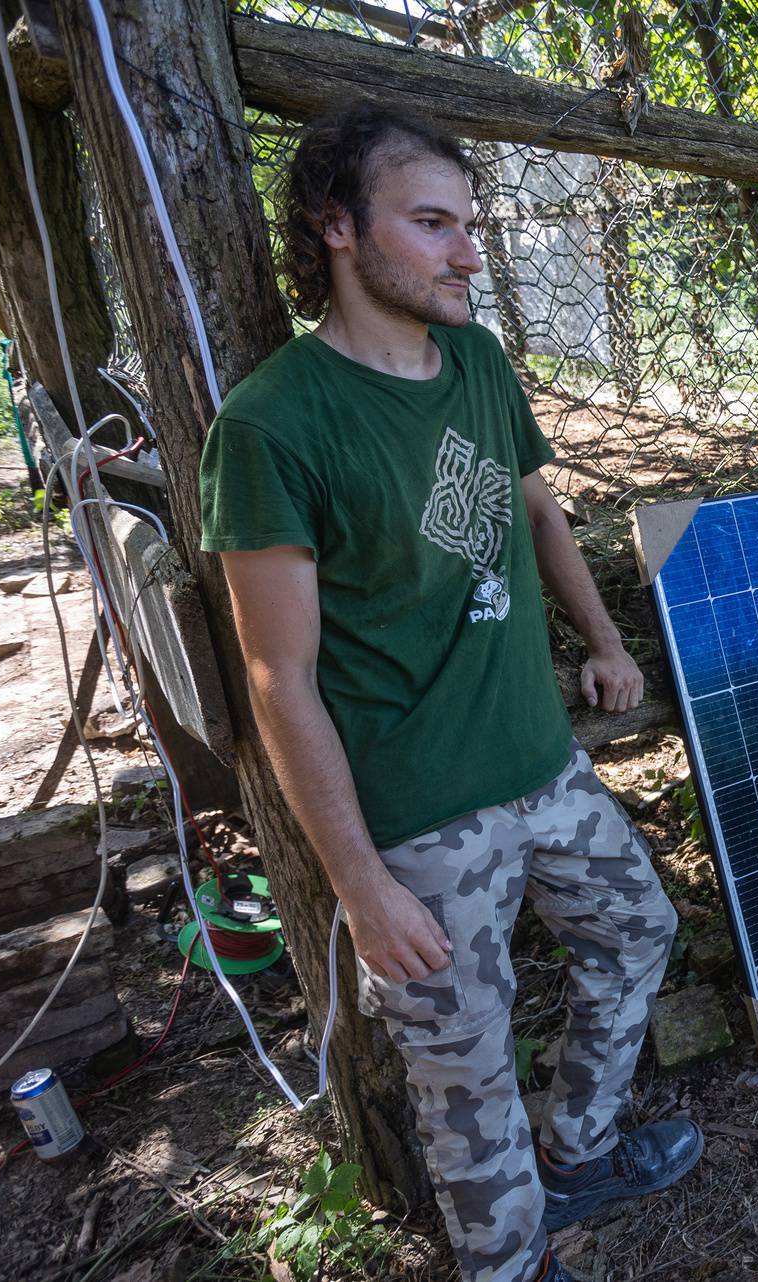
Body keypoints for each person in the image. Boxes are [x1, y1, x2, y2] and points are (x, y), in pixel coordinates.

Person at [198, 105, 701, 1282]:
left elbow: (534, 510)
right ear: (336, 227)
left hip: (544, 762)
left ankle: (576, 1153)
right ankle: (510, 1265)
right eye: (434, 224)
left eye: (470, 224)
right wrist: (360, 884)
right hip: (422, 821)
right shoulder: (273, 427)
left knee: (639, 930)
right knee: (462, 1074)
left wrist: (602, 636)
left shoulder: (474, 356)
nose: (470, 251)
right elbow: (280, 679)